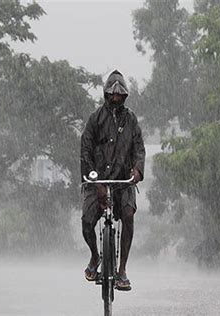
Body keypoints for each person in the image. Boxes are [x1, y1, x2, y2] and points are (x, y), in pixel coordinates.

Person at [80, 70, 145, 291]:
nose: (115, 98)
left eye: (120, 95)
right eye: (112, 94)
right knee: (87, 221)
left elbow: (139, 148)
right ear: (106, 94)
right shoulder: (95, 119)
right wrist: (95, 181)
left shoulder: (131, 119)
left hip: (123, 180)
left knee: (127, 215)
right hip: (96, 179)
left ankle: (122, 270)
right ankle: (95, 256)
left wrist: (137, 170)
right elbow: (85, 151)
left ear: (125, 96)